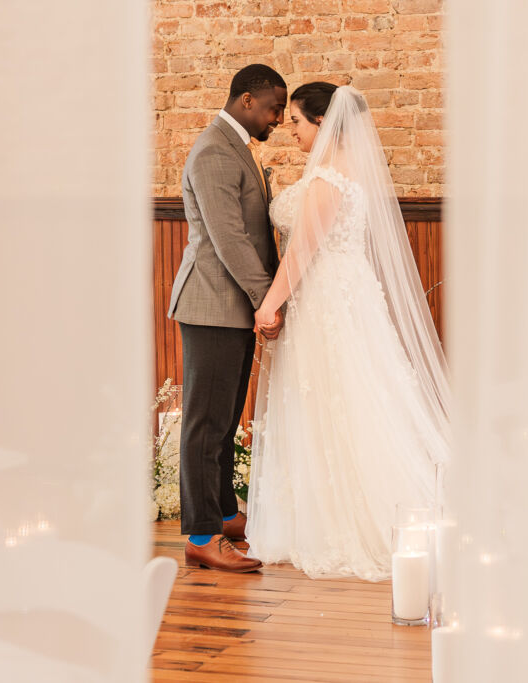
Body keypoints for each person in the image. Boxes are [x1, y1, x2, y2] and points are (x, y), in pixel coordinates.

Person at [245, 82, 452, 581]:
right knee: (349, 401)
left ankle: (346, 521)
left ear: (322, 123)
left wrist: (268, 307)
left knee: (337, 403)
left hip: (325, 301)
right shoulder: (349, 174)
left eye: (296, 121)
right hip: (344, 295)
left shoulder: (328, 179)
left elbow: (302, 253)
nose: (290, 130)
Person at [166, 64, 286, 573]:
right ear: (245, 100)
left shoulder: (237, 147)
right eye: (272, 108)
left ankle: (223, 515)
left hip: (229, 306)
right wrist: (267, 298)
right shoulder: (215, 149)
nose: (277, 118)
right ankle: (200, 535)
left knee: (223, 422)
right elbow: (228, 238)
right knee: (204, 424)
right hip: (212, 304)